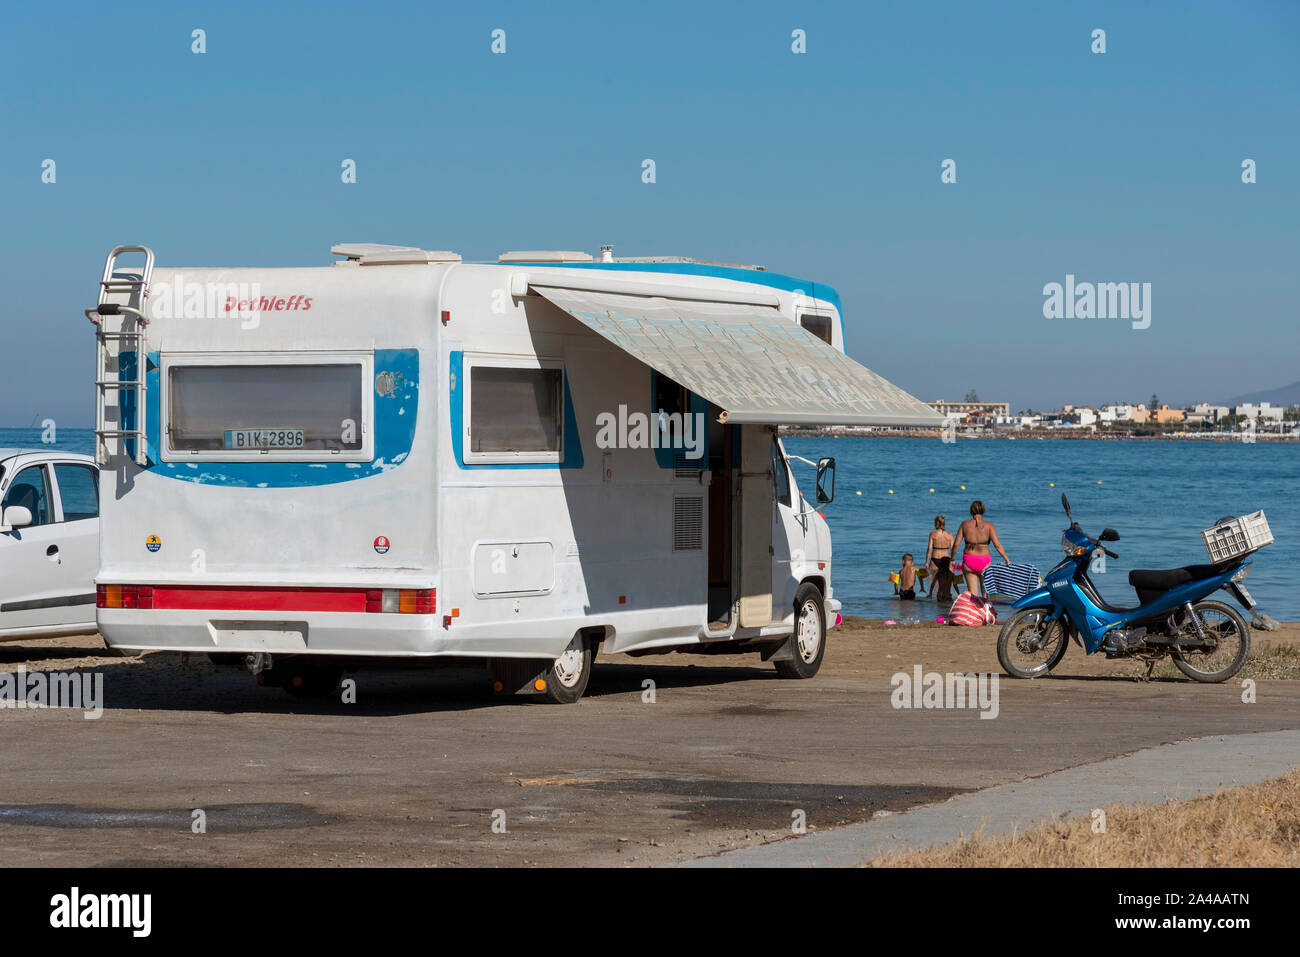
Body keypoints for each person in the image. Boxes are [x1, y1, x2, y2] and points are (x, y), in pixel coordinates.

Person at [951, 500, 1009, 598]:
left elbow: (956, 544)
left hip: (969, 561)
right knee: (986, 594)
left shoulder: (964, 524)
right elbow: (997, 545)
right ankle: (985, 613)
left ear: (971, 511)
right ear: (983, 511)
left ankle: (974, 613)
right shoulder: (989, 525)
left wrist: (952, 559)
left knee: (973, 595)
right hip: (984, 562)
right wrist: (1006, 559)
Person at [925, 514, 955, 602]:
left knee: (934, 582)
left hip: (934, 558)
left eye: (935, 523)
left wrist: (926, 562)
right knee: (946, 581)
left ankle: (934, 600)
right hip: (946, 560)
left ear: (937, 523)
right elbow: (953, 550)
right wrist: (953, 561)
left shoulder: (932, 534)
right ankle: (945, 597)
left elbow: (929, 549)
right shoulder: (950, 535)